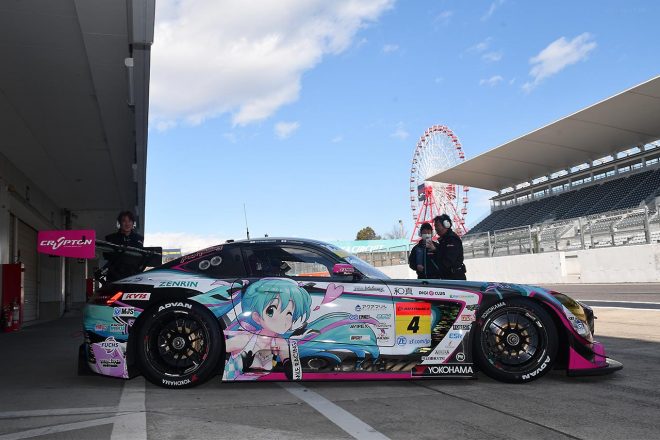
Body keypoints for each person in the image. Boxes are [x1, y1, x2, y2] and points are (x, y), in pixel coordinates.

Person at [104, 211, 144, 282]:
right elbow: (107, 255)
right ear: (119, 223)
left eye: (129, 221)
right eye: (124, 221)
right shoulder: (110, 238)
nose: (127, 224)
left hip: (133, 276)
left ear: (133, 223)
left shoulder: (139, 238)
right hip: (114, 275)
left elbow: (140, 257)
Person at [431, 214, 467, 280]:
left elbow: (447, 261)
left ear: (446, 225)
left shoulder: (452, 239)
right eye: (435, 226)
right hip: (448, 276)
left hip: (455, 278)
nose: (435, 228)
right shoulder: (444, 240)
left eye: (437, 226)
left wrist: (435, 250)